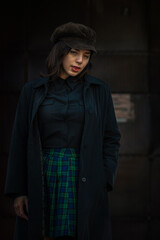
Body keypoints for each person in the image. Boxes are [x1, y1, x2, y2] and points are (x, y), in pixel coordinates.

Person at [5, 22, 121, 240]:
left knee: (81, 232)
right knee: (41, 232)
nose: (80, 61)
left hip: (85, 174)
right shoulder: (32, 91)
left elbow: (111, 137)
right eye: (74, 52)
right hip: (42, 173)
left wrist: (104, 177)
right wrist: (18, 191)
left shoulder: (99, 91)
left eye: (86, 55)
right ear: (59, 52)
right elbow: (19, 140)